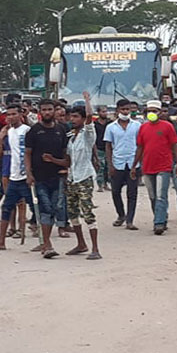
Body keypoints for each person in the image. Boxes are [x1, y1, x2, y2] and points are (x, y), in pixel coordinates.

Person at [0, 104, 32, 250]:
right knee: (7, 207)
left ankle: (42, 241)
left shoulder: (27, 131)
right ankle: (1, 241)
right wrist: (0, 138)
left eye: (13, 114)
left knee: (31, 206)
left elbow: (30, 152)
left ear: (20, 115)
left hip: (25, 176)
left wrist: (30, 173)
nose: (10, 117)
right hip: (12, 174)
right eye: (8, 115)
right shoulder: (8, 132)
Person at [25, 99, 69, 258]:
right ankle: (47, 244)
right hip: (39, 178)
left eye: (50, 109)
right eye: (44, 110)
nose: (47, 112)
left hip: (57, 177)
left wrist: (65, 169)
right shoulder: (34, 131)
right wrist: (29, 174)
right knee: (45, 209)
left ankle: (45, 242)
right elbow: (28, 154)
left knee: (55, 208)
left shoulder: (61, 130)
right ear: (40, 112)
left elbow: (65, 153)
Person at [131, 100, 177, 235]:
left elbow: (175, 146)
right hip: (147, 167)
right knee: (152, 196)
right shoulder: (143, 128)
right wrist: (134, 165)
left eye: (154, 111)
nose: (151, 113)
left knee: (160, 196)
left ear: (160, 112)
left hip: (164, 166)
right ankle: (161, 218)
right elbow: (140, 147)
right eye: (149, 111)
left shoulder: (167, 126)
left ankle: (158, 223)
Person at [63, 93, 101, 259]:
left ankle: (95, 248)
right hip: (72, 178)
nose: (73, 119)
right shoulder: (71, 137)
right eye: (71, 116)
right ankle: (81, 243)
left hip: (84, 177)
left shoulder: (87, 134)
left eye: (76, 117)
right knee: (72, 212)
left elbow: (90, 117)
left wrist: (87, 101)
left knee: (87, 212)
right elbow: (68, 159)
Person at [105, 99, 141, 230]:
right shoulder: (111, 127)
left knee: (132, 193)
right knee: (115, 192)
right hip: (118, 163)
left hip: (133, 164)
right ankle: (121, 215)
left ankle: (130, 220)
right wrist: (110, 165)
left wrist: (137, 163)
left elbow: (140, 145)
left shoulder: (137, 125)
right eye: (123, 109)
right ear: (117, 110)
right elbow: (108, 146)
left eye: (128, 109)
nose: (126, 112)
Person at [94, 105, 110, 192]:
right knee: (100, 167)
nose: (105, 113)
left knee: (107, 167)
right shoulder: (95, 124)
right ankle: (100, 185)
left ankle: (106, 184)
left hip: (108, 148)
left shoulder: (110, 123)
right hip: (99, 147)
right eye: (103, 111)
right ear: (98, 113)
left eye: (106, 111)